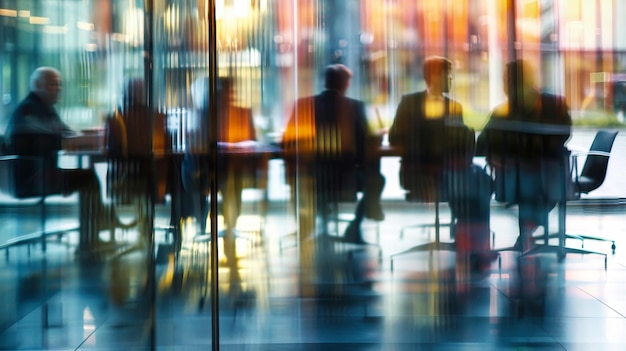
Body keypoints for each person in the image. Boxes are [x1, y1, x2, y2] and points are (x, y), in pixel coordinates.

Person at [4, 66, 130, 254]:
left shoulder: (42, 109)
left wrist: (83, 135)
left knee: (86, 176)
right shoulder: (30, 110)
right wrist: (82, 137)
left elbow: (65, 133)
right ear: (37, 85)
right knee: (87, 178)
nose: (57, 89)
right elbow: (57, 137)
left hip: (36, 173)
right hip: (31, 178)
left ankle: (101, 225)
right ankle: (94, 235)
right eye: (52, 84)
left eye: (59, 85)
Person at [388, 56, 493, 268]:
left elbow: (461, 142)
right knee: (471, 181)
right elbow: (395, 137)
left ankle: (471, 236)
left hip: (451, 170)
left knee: (479, 179)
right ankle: (469, 237)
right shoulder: (409, 103)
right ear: (435, 76)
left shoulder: (454, 106)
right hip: (421, 173)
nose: (451, 79)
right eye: (448, 74)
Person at [283, 64, 385, 244]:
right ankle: (356, 224)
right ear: (346, 84)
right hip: (346, 179)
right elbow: (365, 145)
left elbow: (288, 141)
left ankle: (309, 226)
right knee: (377, 179)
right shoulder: (355, 107)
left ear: (325, 82)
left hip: (310, 178)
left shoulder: (303, 105)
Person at [476, 59, 572, 252]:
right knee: (523, 182)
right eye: (505, 80)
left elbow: (561, 135)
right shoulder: (503, 111)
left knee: (531, 181)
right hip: (515, 171)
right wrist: (493, 156)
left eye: (508, 80)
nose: (505, 85)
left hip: (547, 170)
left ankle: (527, 232)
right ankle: (527, 231)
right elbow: (482, 144)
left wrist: (530, 159)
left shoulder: (553, 105)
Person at [181, 76, 257, 262]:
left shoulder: (204, 115)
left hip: (213, 174)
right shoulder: (205, 115)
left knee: (230, 178)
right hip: (213, 174)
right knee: (231, 180)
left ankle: (208, 222)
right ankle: (227, 226)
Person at [105, 77, 168, 247]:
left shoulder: (117, 117)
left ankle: (143, 229)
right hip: (155, 177)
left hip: (126, 177)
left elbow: (111, 152)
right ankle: (168, 231)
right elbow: (167, 148)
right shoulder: (157, 117)